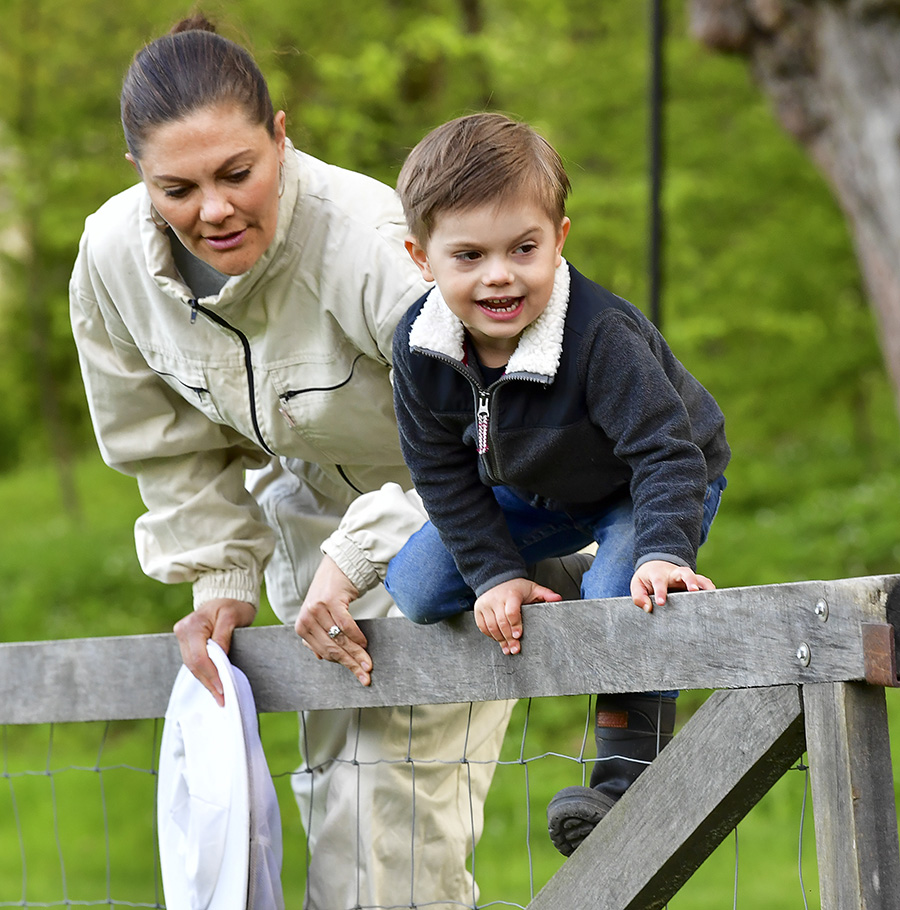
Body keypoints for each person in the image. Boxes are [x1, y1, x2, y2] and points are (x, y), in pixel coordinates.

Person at [69, 18, 516, 908]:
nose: (215, 210)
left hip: (456, 524)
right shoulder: (112, 261)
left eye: (238, 173)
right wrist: (221, 576)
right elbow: (164, 445)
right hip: (306, 525)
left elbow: (503, 433)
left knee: (386, 844)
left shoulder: (371, 246)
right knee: (332, 810)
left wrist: (361, 556)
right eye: (178, 187)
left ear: (282, 134)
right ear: (138, 176)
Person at [384, 112, 730, 856]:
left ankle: (624, 783)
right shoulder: (420, 349)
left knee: (627, 598)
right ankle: (554, 575)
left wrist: (663, 551)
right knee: (415, 586)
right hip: (540, 493)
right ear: (422, 257)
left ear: (559, 239)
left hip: (654, 480)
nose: (500, 274)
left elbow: (668, 452)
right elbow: (441, 474)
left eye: (523, 248)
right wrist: (495, 575)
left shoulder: (599, 337)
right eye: (469, 255)